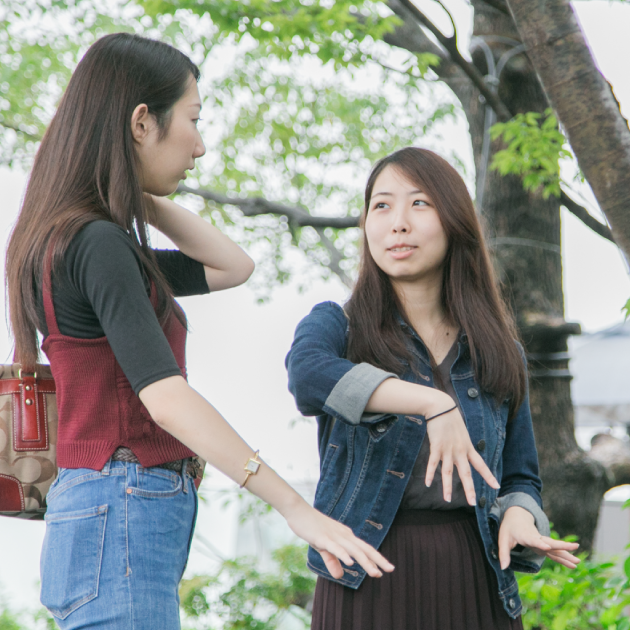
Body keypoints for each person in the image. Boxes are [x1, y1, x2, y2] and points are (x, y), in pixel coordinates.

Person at [5, 33, 393, 630]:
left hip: (102, 509)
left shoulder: (76, 238)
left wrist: (137, 190)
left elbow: (233, 266)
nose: (201, 146)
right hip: (123, 504)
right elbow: (166, 400)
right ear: (142, 121)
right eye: (193, 119)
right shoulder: (98, 243)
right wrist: (294, 507)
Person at [286, 147, 580, 630]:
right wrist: (432, 403)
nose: (397, 222)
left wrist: (519, 518)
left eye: (419, 203)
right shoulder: (336, 326)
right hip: (365, 570)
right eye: (381, 206)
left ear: (455, 222)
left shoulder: (499, 351)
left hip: (473, 572)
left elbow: (520, 478)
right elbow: (308, 377)